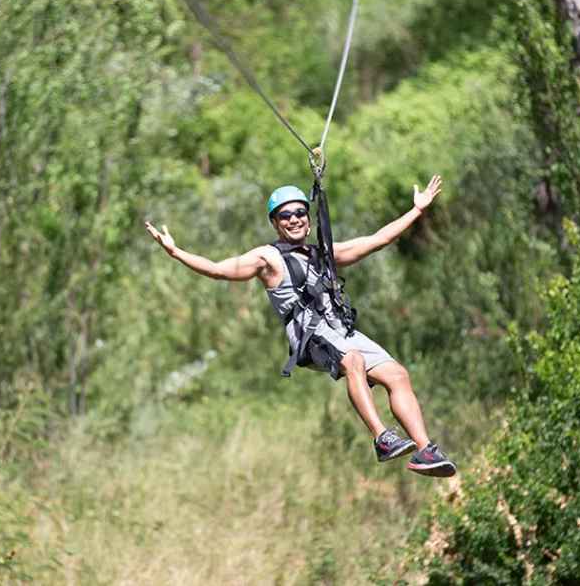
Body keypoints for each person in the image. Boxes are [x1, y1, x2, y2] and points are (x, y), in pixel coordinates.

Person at [144, 175, 456, 477]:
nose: (294, 219)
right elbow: (218, 270)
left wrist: (417, 209)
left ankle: (425, 450)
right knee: (353, 361)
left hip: (340, 330)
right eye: (284, 216)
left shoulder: (323, 253)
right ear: (275, 223)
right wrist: (175, 252)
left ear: (307, 217)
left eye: (299, 213)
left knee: (397, 374)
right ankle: (382, 438)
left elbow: (377, 240)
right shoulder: (268, 258)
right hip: (311, 335)